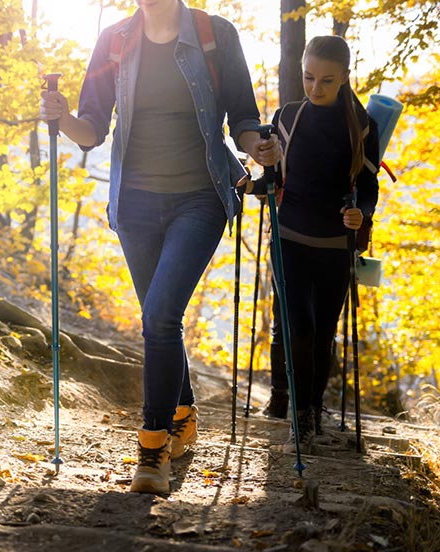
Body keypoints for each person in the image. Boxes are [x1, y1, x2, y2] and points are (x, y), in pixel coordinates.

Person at [40, 0, 279, 495]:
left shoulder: (215, 34)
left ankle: (153, 449)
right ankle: (184, 414)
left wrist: (258, 147)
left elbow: (244, 118)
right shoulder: (115, 40)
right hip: (135, 206)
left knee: (161, 315)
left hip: (201, 198)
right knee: (158, 319)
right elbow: (92, 128)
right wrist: (62, 119)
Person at [248, 35, 379, 448]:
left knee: (324, 332)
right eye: (308, 78)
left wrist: (363, 214)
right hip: (288, 237)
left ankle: (311, 411)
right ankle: (300, 420)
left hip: (335, 245)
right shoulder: (287, 117)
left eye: (326, 80)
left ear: (344, 77)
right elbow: (276, 177)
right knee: (298, 328)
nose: (315, 88)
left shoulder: (361, 126)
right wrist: (254, 183)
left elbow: (368, 186)